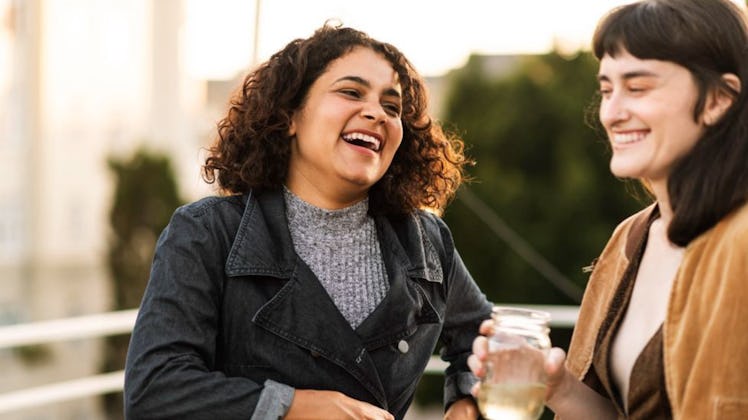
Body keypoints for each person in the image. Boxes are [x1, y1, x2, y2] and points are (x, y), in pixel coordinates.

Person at [124, 22, 493, 420]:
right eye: (351, 92)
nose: (376, 113)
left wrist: (466, 401)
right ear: (290, 117)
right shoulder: (207, 233)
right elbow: (155, 389)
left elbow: (484, 336)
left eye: (392, 106)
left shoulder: (426, 240)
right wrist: (293, 407)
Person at [468, 0, 748, 418]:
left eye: (637, 88)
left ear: (718, 99)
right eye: (605, 90)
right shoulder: (631, 237)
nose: (612, 113)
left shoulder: (740, 239)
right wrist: (559, 387)